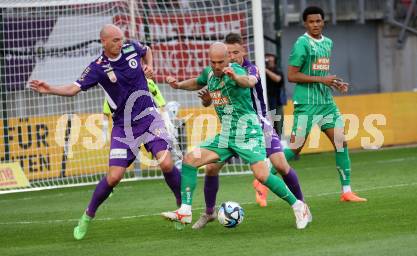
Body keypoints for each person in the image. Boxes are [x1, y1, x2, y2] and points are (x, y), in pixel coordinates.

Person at [29, 24, 181, 240]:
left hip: (149, 117)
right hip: (123, 126)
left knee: (166, 163)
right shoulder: (98, 67)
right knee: (114, 177)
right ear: (104, 42)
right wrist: (50, 88)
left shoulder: (131, 48)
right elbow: (73, 88)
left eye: (121, 39)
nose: (120, 43)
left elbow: (147, 51)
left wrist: (149, 66)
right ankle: (87, 216)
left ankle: (181, 208)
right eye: (115, 40)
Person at [161, 42, 312, 230]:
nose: (217, 66)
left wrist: (235, 76)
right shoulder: (209, 72)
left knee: (262, 175)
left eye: (221, 62)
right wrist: (178, 85)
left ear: (228, 59)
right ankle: (185, 210)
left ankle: (299, 205)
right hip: (227, 134)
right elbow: (197, 82)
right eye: (213, 62)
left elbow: (249, 81)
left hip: (247, 132)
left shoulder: (236, 70)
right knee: (190, 160)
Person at [285, 6, 366, 202]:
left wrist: (335, 83)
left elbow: (321, 73)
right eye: (311, 21)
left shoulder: (328, 43)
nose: (315, 24)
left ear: (323, 22)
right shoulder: (302, 44)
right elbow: (292, 75)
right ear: (305, 23)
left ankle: (346, 191)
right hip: (306, 102)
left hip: (326, 102)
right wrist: (322, 80)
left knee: (341, 143)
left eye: (318, 21)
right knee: (296, 147)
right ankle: (264, 172)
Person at [265, 53, 287, 136]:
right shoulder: (262, 70)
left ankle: (279, 140)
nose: (268, 59)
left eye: (270, 57)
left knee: (278, 122)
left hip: (277, 101)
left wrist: (266, 70)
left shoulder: (277, 70)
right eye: (267, 57)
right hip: (267, 101)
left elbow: (277, 79)